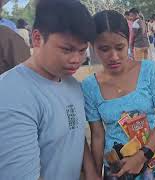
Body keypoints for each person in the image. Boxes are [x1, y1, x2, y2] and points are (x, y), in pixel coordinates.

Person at [0, 1, 100, 179]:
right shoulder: (11, 95)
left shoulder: (73, 85)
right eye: (67, 49)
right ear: (37, 38)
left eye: (82, 50)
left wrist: (92, 172)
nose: (77, 59)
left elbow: (74, 132)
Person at [81, 10, 155, 179]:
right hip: (117, 170)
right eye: (104, 49)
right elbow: (97, 135)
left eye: (120, 47)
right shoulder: (89, 86)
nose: (114, 56)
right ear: (92, 46)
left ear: (128, 40)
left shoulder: (148, 70)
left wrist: (141, 156)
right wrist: (95, 172)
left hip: (153, 165)